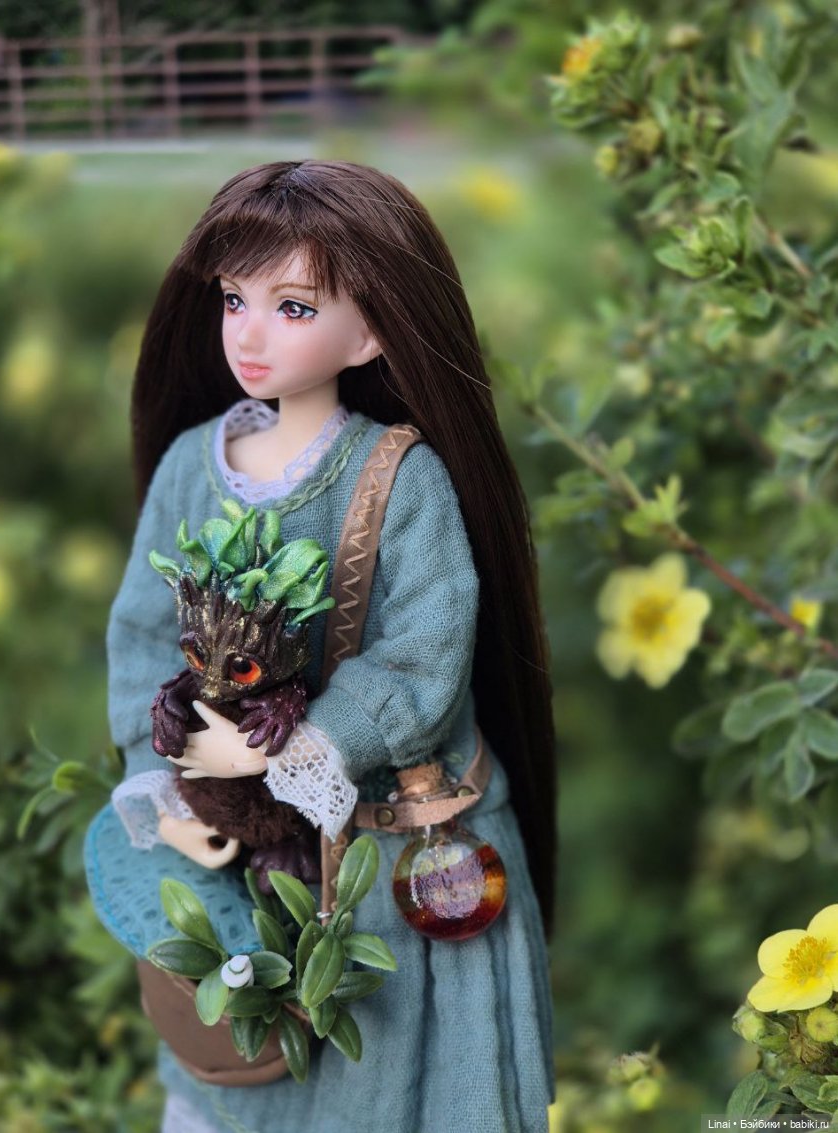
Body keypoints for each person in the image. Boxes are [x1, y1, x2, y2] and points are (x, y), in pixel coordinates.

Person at [85, 159, 556, 1133]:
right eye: (234, 299)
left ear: (371, 329)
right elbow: (140, 632)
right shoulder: (191, 467)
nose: (249, 333)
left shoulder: (400, 478)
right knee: (244, 1079)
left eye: (293, 307)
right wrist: (170, 776)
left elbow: (423, 655)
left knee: (397, 1082)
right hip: (244, 855)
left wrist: (286, 749)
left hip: (394, 857)